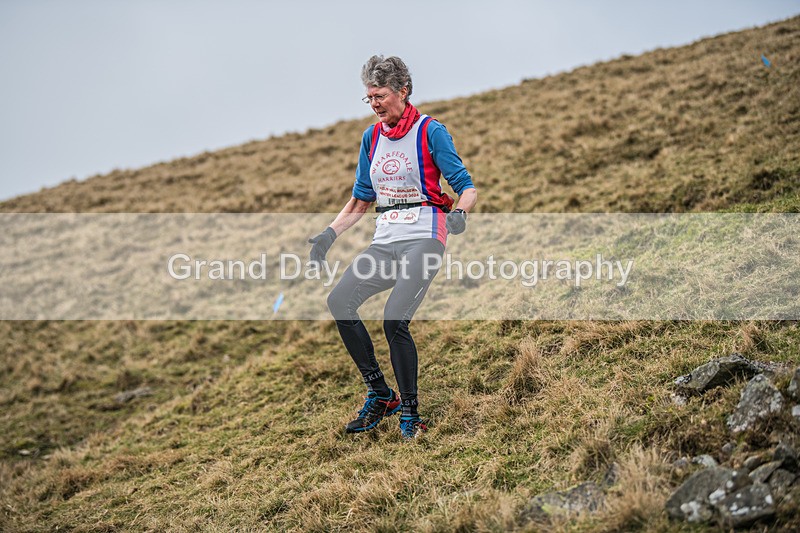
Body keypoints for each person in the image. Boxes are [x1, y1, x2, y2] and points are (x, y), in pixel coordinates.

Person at [308, 55, 477, 439]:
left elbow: (465, 186)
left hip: (425, 235)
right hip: (385, 239)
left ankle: (412, 415)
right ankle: (381, 395)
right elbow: (360, 201)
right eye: (369, 98)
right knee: (340, 302)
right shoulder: (371, 138)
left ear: (403, 91)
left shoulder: (431, 131)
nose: (375, 104)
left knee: (393, 320)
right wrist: (327, 236)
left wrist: (461, 214)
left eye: (380, 95)